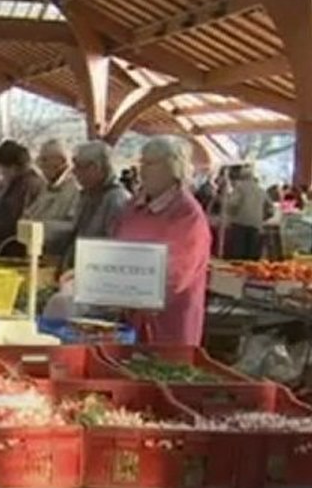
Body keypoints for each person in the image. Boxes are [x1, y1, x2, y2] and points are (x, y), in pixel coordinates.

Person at [112, 136, 212, 346]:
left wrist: (126, 289)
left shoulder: (187, 214)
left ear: (173, 167)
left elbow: (176, 273)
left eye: (150, 163)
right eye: (142, 163)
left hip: (167, 321)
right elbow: (116, 247)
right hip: (127, 317)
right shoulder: (134, 206)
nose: (142, 170)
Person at [62, 141, 131, 269]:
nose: (74, 172)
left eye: (78, 167)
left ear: (95, 167)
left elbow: (115, 246)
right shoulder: (87, 195)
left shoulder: (116, 199)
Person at [0, 140, 46, 258]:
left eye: (2, 168)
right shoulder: (19, 183)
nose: (1, 173)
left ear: (13, 167)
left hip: (12, 248)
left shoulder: (26, 185)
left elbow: (12, 219)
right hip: (7, 246)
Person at [23, 138, 80, 257]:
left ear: (61, 161)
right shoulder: (46, 186)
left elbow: (74, 227)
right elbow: (33, 212)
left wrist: (42, 226)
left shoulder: (76, 188)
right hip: (36, 251)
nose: (40, 165)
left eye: (44, 160)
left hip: (60, 255)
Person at [223, 164, 270, 261]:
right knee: (252, 257)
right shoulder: (261, 190)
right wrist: (262, 217)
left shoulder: (239, 188)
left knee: (238, 256)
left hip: (240, 224)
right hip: (256, 225)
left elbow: (232, 203)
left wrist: (230, 214)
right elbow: (270, 209)